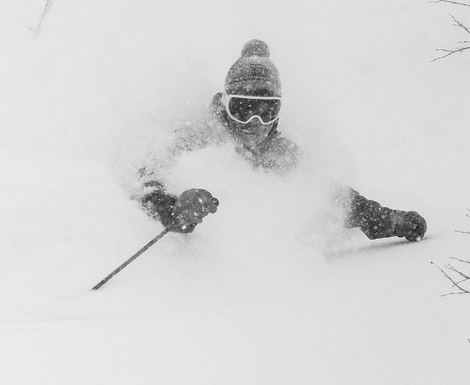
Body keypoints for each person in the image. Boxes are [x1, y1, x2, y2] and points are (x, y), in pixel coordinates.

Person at [138, 39, 427, 242]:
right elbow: (144, 174)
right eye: (243, 109)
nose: (255, 123)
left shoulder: (280, 153)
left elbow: (329, 196)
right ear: (226, 106)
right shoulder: (197, 138)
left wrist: (385, 221)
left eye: (266, 111)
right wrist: (169, 208)